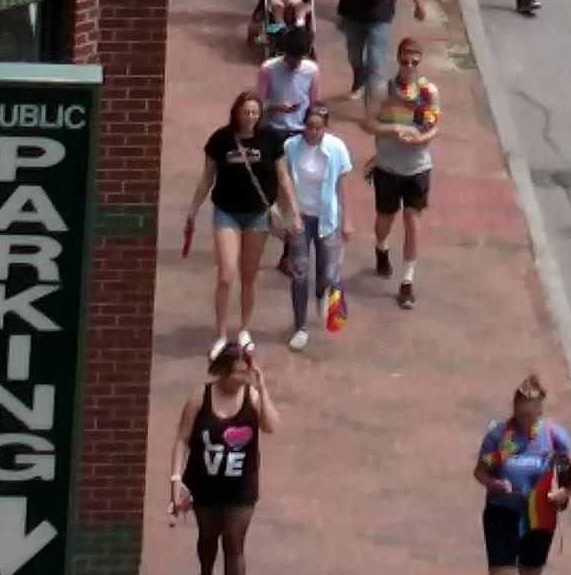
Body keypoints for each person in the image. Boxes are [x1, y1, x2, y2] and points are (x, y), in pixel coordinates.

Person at [167, 332, 274, 575]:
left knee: (234, 543)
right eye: (237, 371)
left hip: (241, 488)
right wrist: (176, 480)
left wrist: (263, 390)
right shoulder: (200, 397)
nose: (242, 377)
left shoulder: (251, 399)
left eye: (246, 371)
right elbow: (182, 439)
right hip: (204, 484)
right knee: (208, 537)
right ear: (224, 370)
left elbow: (272, 426)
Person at [475, 373, 571, 575]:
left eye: (531, 416)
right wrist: (494, 484)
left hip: (538, 514)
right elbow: (481, 472)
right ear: (514, 408)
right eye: (521, 414)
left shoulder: (553, 436)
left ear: (540, 411)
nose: (525, 421)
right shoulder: (500, 437)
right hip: (502, 511)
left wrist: (566, 490)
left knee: (531, 574)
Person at [181, 90, 302, 336]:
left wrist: (295, 211)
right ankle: (221, 332)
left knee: (249, 276)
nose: (250, 117)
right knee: (226, 276)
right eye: (246, 112)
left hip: (257, 214)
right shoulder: (220, 140)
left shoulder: (270, 139)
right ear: (236, 112)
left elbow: (283, 177)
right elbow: (206, 179)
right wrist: (192, 210)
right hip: (227, 212)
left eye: (255, 113)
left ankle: (244, 328)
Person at [367, 33, 441, 308]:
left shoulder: (428, 92)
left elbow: (434, 125)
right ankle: (381, 247)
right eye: (405, 61)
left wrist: (422, 138)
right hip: (388, 166)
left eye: (414, 62)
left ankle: (407, 280)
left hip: (418, 167)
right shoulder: (383, 90)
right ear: (398, 60)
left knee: (413, 219)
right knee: (385, 219)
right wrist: (394, 130)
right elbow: (369, 123)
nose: (409, 66)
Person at [283, 98, 353, 350]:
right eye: (310, 127)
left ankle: (322, 296)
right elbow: (286, 181)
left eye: (319, 128)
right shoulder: (291, 146)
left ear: (326, 127)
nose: (313, 132)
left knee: (327, 271)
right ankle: (299, 325)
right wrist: (287, 214)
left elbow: (342, 187)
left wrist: (347, 220)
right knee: (300, 270)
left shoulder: (336, 148)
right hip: (301, 216)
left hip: (326, 218)